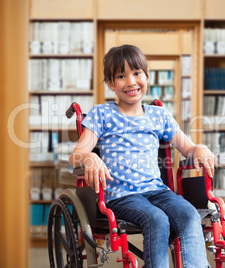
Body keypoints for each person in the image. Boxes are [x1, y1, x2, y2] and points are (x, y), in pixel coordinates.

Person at [69, 44, 214, 268]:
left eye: (137, 73)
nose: (131, 81)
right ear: (110, 83)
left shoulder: (159, 115)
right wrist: (89, 157)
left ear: (147, 76)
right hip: (122, 195)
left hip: (158, 191)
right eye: (121, 76)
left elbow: (188, 149)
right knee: (156, 219)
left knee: (189, 215)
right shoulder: (103, 114)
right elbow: (76, 155)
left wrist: (200, 148)